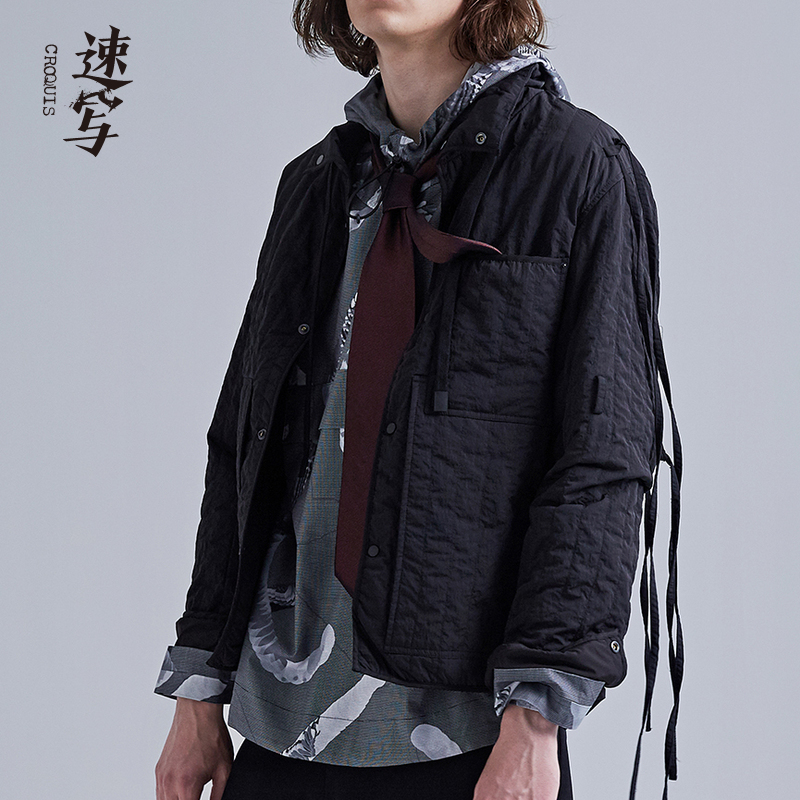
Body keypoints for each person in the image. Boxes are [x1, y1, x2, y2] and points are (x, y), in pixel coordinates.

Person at [154, 1, 684, 799]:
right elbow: (244, 442)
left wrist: (537, 716)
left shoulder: (577, 167)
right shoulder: (315, 184)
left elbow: (601, 454)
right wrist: (199, 686)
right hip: (279, 732)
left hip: (468, 739)